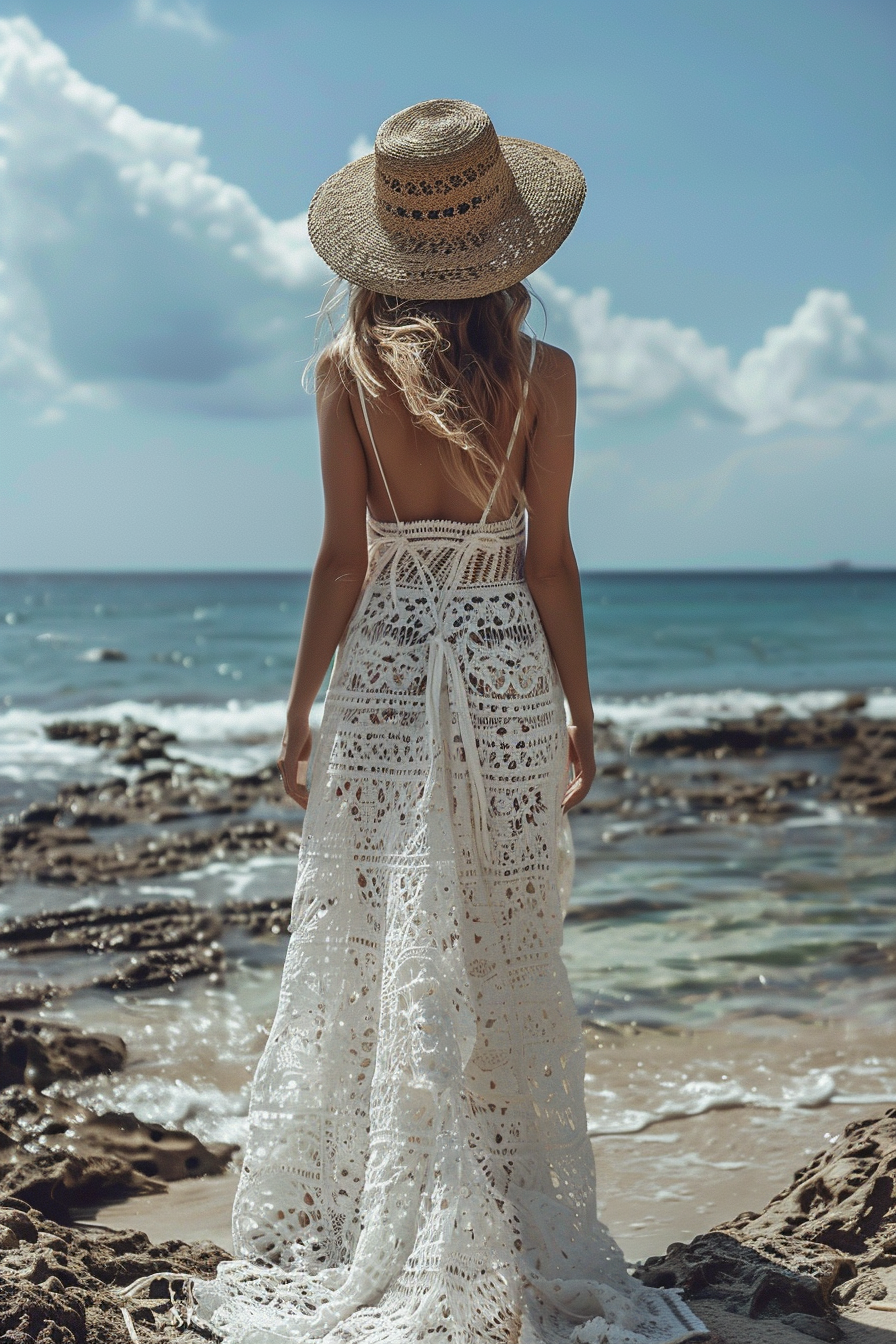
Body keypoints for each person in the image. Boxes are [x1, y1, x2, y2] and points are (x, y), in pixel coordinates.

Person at [192, 99, 706, 1344]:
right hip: (496, 673)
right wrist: (582, 714)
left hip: (378, 677)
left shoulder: (342, 376)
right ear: (508, 245)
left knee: (376, 943)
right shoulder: (544, 376)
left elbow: (338, 565)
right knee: (493, 933)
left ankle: (392, 1213)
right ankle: (502, 1221)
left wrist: (299, 713)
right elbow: (552, 564)